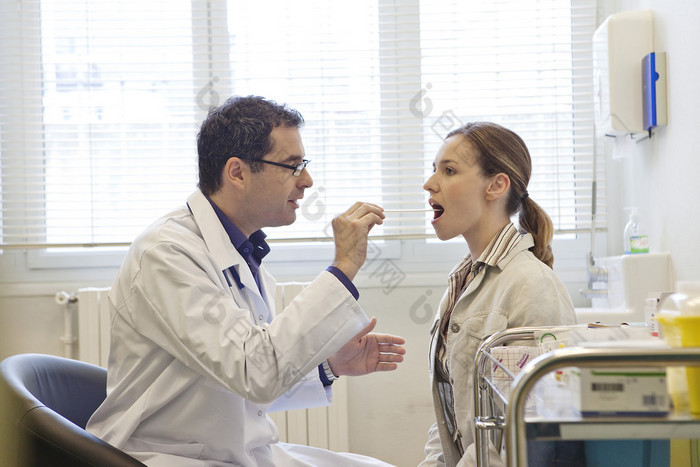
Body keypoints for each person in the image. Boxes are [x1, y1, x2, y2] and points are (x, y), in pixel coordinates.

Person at [86, 95, 405, 466]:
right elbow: (256, 373)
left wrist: (328, 365)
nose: (307, 181)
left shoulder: (241, 252)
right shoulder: (166, 254)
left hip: (234, 452)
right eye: (292, 166)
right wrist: (344, 265)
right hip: (168, 457)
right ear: (237, 173)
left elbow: (244, 383)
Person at [418, 122, 582, 466]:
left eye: (449, 171)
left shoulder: (531, 286)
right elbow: (451, 411)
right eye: (434, 170)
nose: (430, 183)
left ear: (496, 185)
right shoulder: (461, 281)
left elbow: (529, 432)